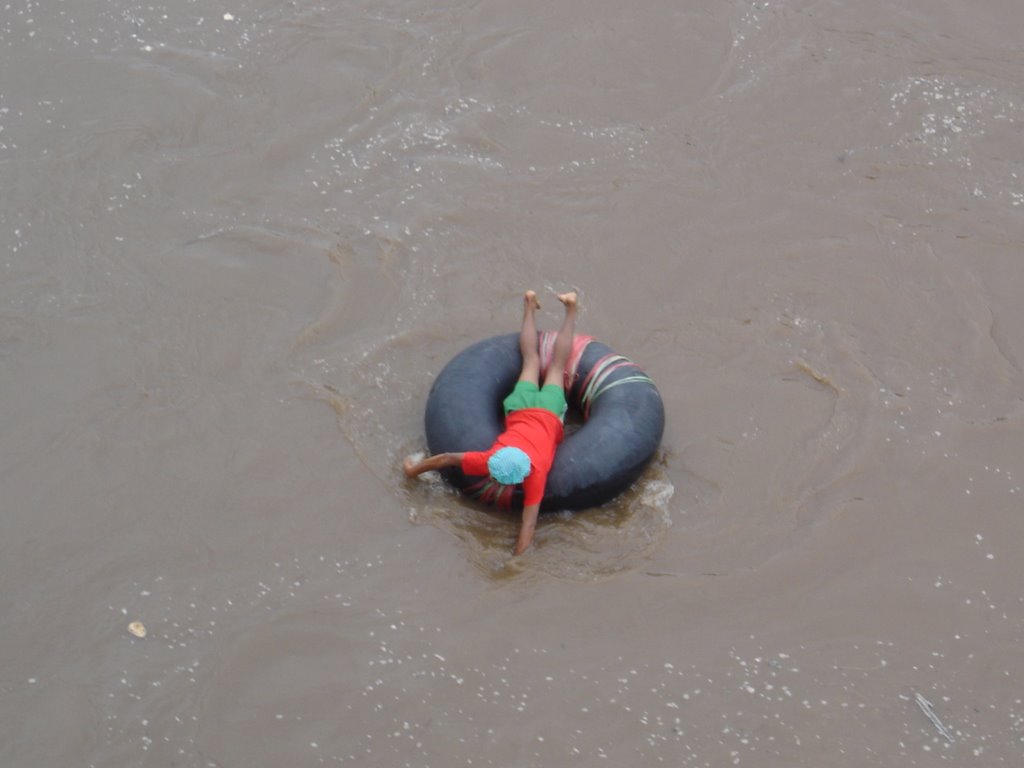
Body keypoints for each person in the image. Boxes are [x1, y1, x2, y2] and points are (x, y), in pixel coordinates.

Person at [403, 289, 578, 555]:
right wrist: (516, 559)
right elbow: (527, 526)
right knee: (553, 365)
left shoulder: (509, 465)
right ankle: (567, 307)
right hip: (530, 409)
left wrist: (414, 470)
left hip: (537, 409)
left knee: (539, 362)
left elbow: (447, 458)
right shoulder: (529, 471)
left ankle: (532, 305)